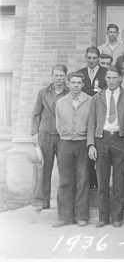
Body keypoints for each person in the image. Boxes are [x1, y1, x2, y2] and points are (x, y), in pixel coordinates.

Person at [87, 69, 124, 228]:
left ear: (120, 78)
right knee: (103, 182)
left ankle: (118, 217)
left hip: (120, 140)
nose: (111, 81)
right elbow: (91, 123)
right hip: (102, 139)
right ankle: (103, 217)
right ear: (105, 78)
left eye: (115, 78)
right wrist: (91, 144)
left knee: (120, 181)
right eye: (109, 78)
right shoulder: (97, 98)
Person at [53, 72, 92, 227]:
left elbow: (92, 123)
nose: (76, 85)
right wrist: (66, 135)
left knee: (82, 180)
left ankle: (82, 216)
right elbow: (58, 124)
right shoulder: (61, 102)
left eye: (79, 83)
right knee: (65, 180)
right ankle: (65, 217)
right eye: (73, 82)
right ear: (68, 83)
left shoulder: (90, 101)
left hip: (83, 143)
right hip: (65, 144)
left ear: (83, 85)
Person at [31, 64, 69, 211]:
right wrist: (35, 132)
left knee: (64, 169)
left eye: (61, 75)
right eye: (56, 75)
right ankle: (43, 202)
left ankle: (63, 204)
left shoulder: (69, 92)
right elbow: (36, 113)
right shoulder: (43, 93)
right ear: (52, 76)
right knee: (44, 169)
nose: (59, 79)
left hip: (63, 136)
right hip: (45, 135)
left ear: (66, 76)